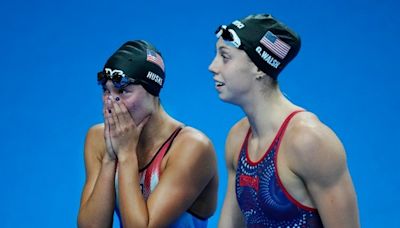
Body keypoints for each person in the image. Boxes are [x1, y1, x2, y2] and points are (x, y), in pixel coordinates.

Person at [208, 14, 359, 227]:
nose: (213, 67)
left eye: (225, 57)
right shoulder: (238, 137)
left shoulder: (309, 141)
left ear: (259, 67)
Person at [78, 40, 218, 228]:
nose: (110, 102)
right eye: (105, 90)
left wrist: (126, 155)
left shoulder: (192, 147)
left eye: (123, 91)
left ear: (152, 91)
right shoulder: (98, 138)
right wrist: (110, 158)